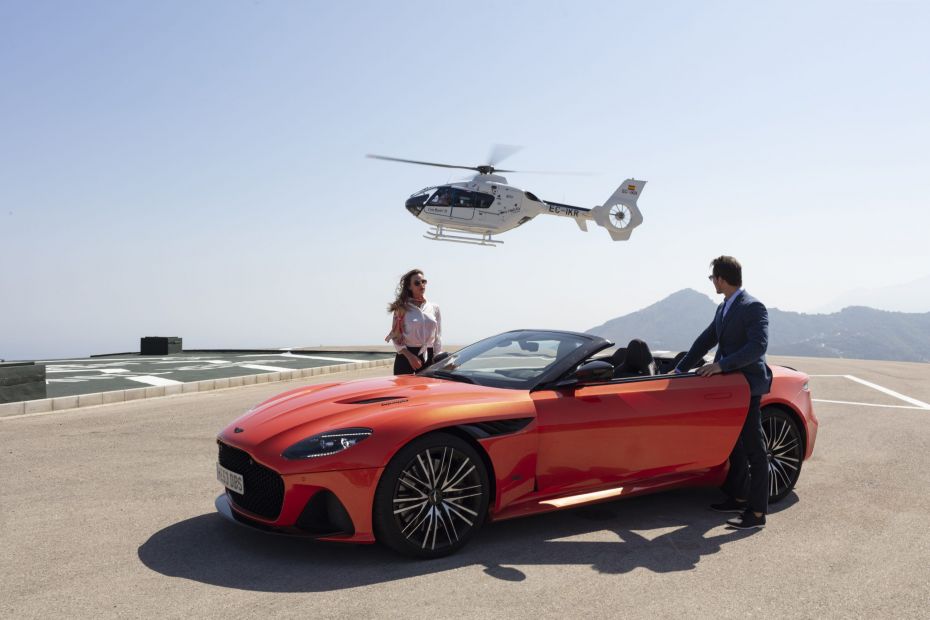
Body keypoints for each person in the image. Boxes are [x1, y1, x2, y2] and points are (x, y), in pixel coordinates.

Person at [674, 256, 772, 530]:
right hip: (728, 388)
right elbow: (706, 340)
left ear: (721, 279)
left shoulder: (753, 307)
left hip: (748, 386)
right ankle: (739, 495)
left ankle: (756, 513)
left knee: (755, 448)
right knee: (735, 444)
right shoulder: (724, 308)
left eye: (712, 278)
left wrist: (721, 365)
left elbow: (757, 347)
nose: (712, 283)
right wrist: (680, 371)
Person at [385, 268, 442, 375]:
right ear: (409, 286)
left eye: (423, 281)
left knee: (428, 391)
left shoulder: (434, 308)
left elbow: (438, 337)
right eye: (417, 283)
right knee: (405, 391)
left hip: (429, 358)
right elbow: (396, 337)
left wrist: (437, 357)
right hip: (406, 357)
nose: (422, 285)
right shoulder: (401, 308)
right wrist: (410, 357)